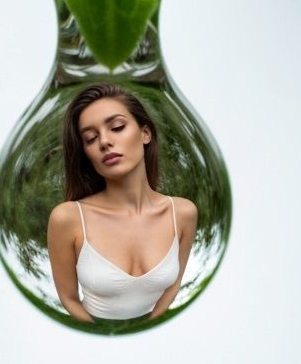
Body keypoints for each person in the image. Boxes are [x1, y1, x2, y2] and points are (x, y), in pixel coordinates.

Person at [47, 82, 198, 324]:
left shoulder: (183, 213)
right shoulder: (68, 218)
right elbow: (68, 298)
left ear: (145, 134)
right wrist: (104, 339)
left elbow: (174, 285)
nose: (104, 141)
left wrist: (149, 330)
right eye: (91, 138)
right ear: (87, 154)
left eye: (117, 127)